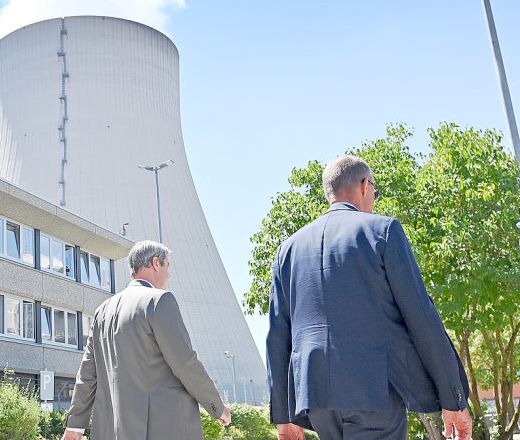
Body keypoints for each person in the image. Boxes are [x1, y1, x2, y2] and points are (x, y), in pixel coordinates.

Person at [267, 155, 473, 440]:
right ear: (365, 185)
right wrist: (454, 398)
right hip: (374, 392)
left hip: (315, 398)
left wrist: (284, 416)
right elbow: (421, 317)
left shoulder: (287, 251)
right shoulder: (383, 231)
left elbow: (278, 337)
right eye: (374, 189)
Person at [62, 240, 231, 440]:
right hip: (163, 428)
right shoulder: (159, 301)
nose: (169, 274)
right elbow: (184, 362)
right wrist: (217, 406)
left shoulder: (102, 311)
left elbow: (87, 375)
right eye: (167, 265)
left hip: (112, 430)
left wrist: (75, 426)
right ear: (155, 263)